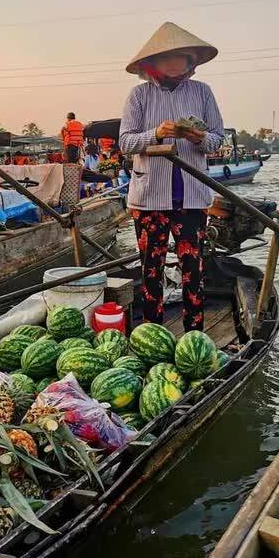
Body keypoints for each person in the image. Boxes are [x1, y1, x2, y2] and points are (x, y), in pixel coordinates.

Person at [119, 21, 224, 331]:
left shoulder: (202, 92)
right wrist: (156, 133)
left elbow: (217, 138)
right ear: (154, 64)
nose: (178, 63)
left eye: (183, 57)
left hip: (192, 196)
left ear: (191, 62)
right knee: (151, 270)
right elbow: (126, 142)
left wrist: (197, 138)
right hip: (149, 196)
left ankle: (195, 333)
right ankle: (152, 332)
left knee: (193, 267)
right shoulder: (139, 96)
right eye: (170, 57)